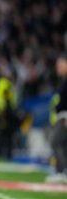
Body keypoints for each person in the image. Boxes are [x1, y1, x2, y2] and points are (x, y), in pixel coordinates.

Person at [46, 54, 67, 183]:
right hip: (61, 115)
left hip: (65, 115)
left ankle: (62, 171)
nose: (57, 67)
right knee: (63, 144)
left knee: (55, 141)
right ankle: (62, 171)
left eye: (60, 64)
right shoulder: (63, 80)